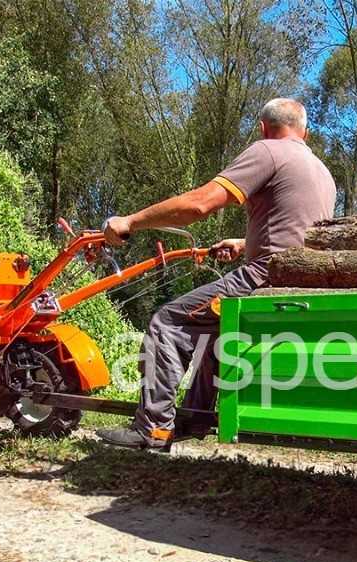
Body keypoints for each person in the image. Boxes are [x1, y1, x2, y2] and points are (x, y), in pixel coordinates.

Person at [96, 98, 337, 449]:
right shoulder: (321, 170)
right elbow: (298, 233)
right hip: (298, 279)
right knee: (213, 332)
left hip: (265, 275)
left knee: (167, 322)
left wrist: (130, 221)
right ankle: (193, 417)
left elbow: (200, 204)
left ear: (262, 128)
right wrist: (245, 243)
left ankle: (153, 428)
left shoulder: (268, 151)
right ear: (306, 132)